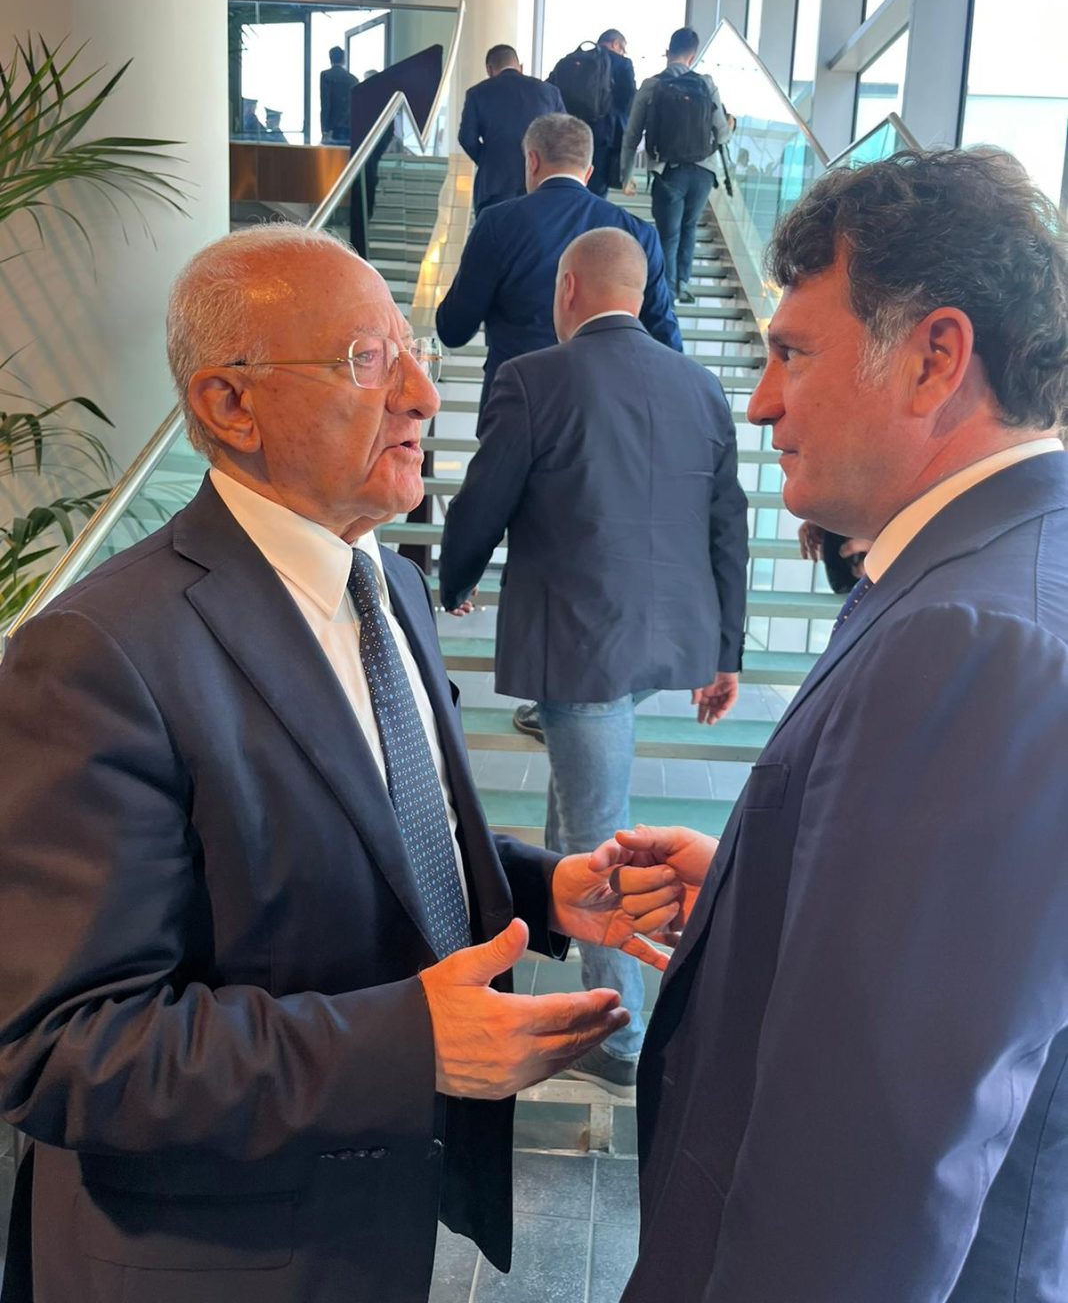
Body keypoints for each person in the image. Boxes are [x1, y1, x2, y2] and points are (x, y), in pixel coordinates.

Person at [0, 225, 683, 1303]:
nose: (422, 393)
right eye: (368, 360)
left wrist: (542, 887)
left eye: (413, 353)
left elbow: (388, 830)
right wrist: (408, 1043)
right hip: (213, 1265)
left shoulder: (391, 584)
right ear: (232, 404)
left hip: (372, 1225)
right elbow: (66, 1045)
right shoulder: (99, 653)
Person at [596, 147, 1068, 1302]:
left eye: (793, 352)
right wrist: (764, 885)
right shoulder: (1005, 569)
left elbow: (867, 1174)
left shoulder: (973, 637)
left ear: (935, 357)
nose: (762, 399)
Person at [438, 227, 748, 1094]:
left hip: (581, 646)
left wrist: (453, 579)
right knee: (580, 788)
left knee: (597, 826)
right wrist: (724, 649)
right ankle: (549, 909)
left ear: (567, 288)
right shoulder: (700, 386)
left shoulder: (533, 378)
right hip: (671, 637)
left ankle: (622, 1032)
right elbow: (728, 522)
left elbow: (485, 498)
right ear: (640, 292)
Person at [436, 113, 682, 424]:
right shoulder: (638, 233)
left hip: (516, 406)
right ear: (589, 172)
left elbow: (454, 328)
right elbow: (664, 336)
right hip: (608, 412)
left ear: (532, 161)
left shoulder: (497, 223)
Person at [621, 26, 732, 303]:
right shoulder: (706, 84)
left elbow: (632, 135)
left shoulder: (651, 85)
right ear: (692, 56)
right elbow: (722, 134)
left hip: (668, 170)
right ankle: (683, 282)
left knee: (668, 235)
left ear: (667, 52)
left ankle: (667, 296)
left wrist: (626, 174)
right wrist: (731, 125)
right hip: (703, 171)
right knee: (689, 226)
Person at [457, 43, 566, 215]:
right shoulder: (549, 92)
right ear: (520, 67)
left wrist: (487, 159)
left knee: (494, 230)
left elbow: (466, 138)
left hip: (494, 184)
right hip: (539, 182)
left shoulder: (477, 93)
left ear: (489, 69)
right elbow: (563, 135)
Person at [589, 29, 636, 197]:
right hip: (604, 136)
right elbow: (629, 99)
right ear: (615, 44)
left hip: (571, 134)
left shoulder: (575, 60)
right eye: (622, 49)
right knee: (597, 193)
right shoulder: (622, 63)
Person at [320, 44, 358, 144]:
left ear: (330, 59)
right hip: (349, 126)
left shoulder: (326, 75)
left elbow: (325, 103)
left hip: (332, 127)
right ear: (343, 60)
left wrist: (324, 129)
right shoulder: (353, 79)